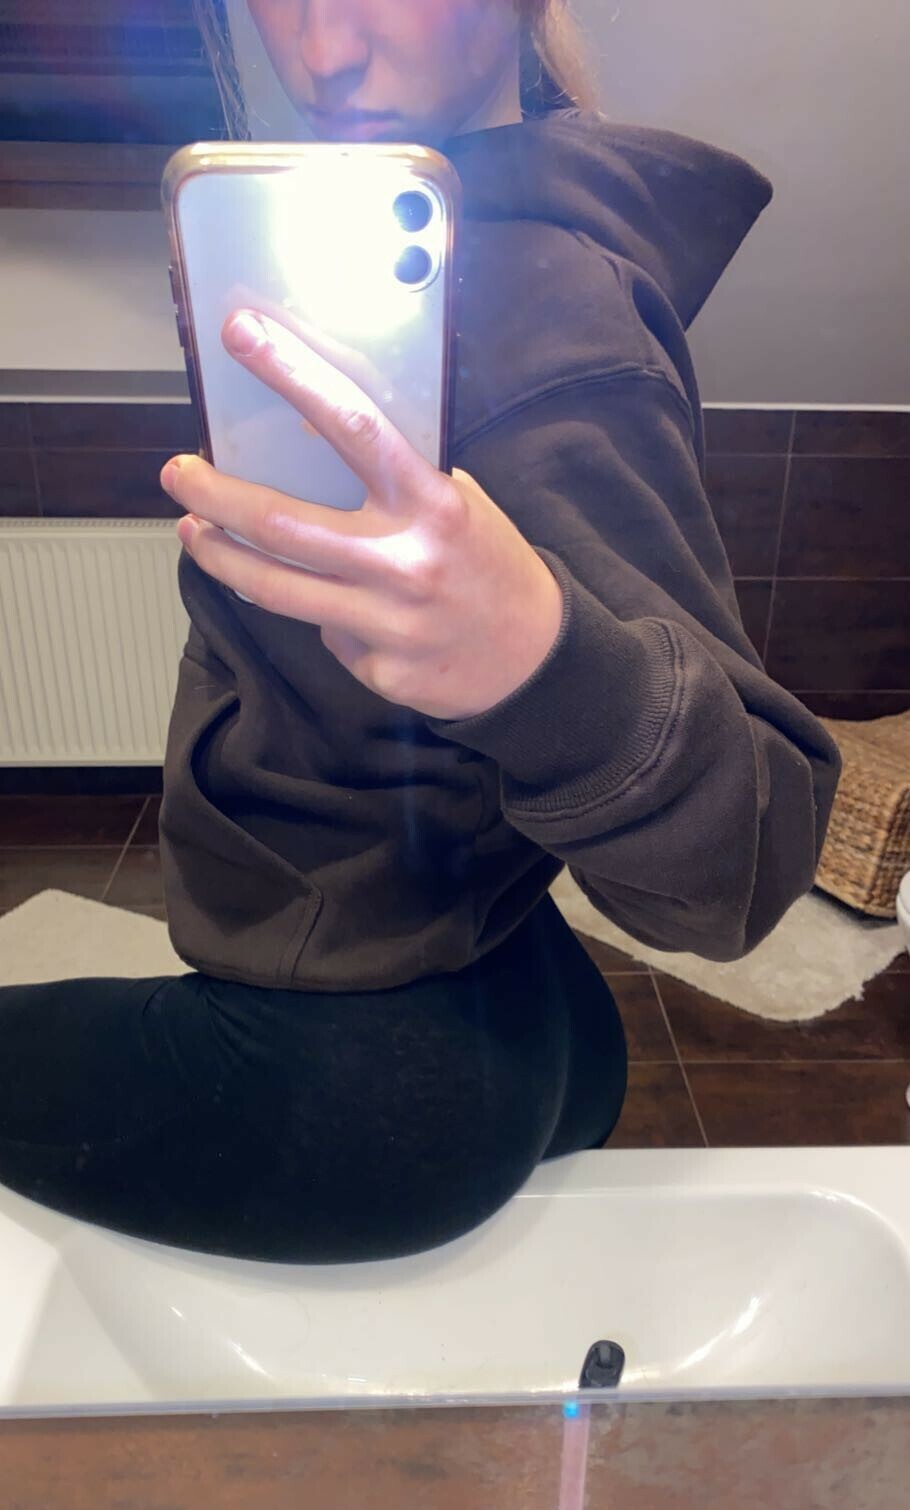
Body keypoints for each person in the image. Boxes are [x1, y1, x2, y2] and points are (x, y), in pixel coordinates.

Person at [0, 0, 839, 1264]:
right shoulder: (425, 261)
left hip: (349, 1074)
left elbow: (748, 863)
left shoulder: (540, 327)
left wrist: (539, 664)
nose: (319, 52)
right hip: (509, 978)